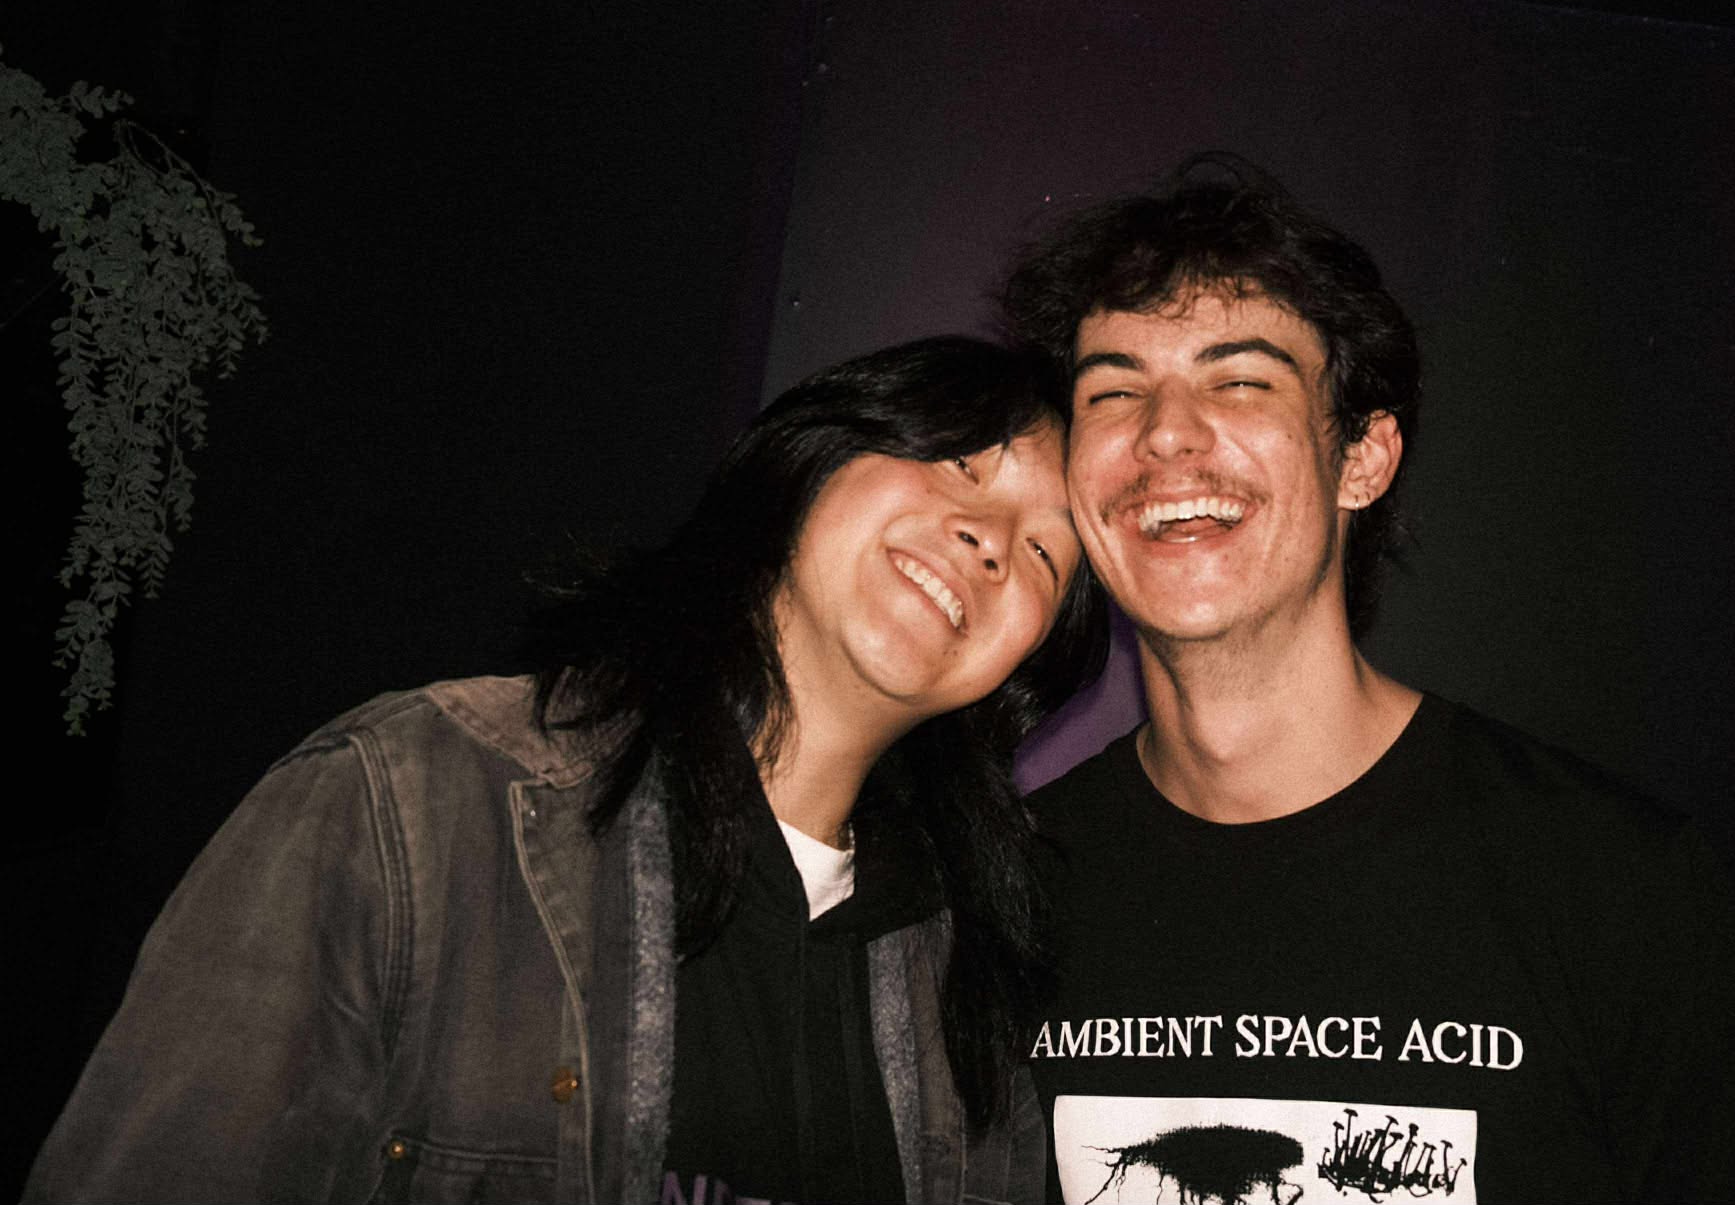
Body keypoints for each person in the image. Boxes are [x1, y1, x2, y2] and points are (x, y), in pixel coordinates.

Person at [25, 336, 1108, 1205]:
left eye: (1043, 554)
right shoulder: (407, 801)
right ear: (817, 455)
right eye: (960, 463)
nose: (988, 537)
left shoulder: (966, 991)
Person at [1000, 158, 1735, 1204]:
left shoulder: (1615, 890)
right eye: (1113, 391)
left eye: (1240, 380)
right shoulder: (1003, 898)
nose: (1164, 432)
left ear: (1363, 458)